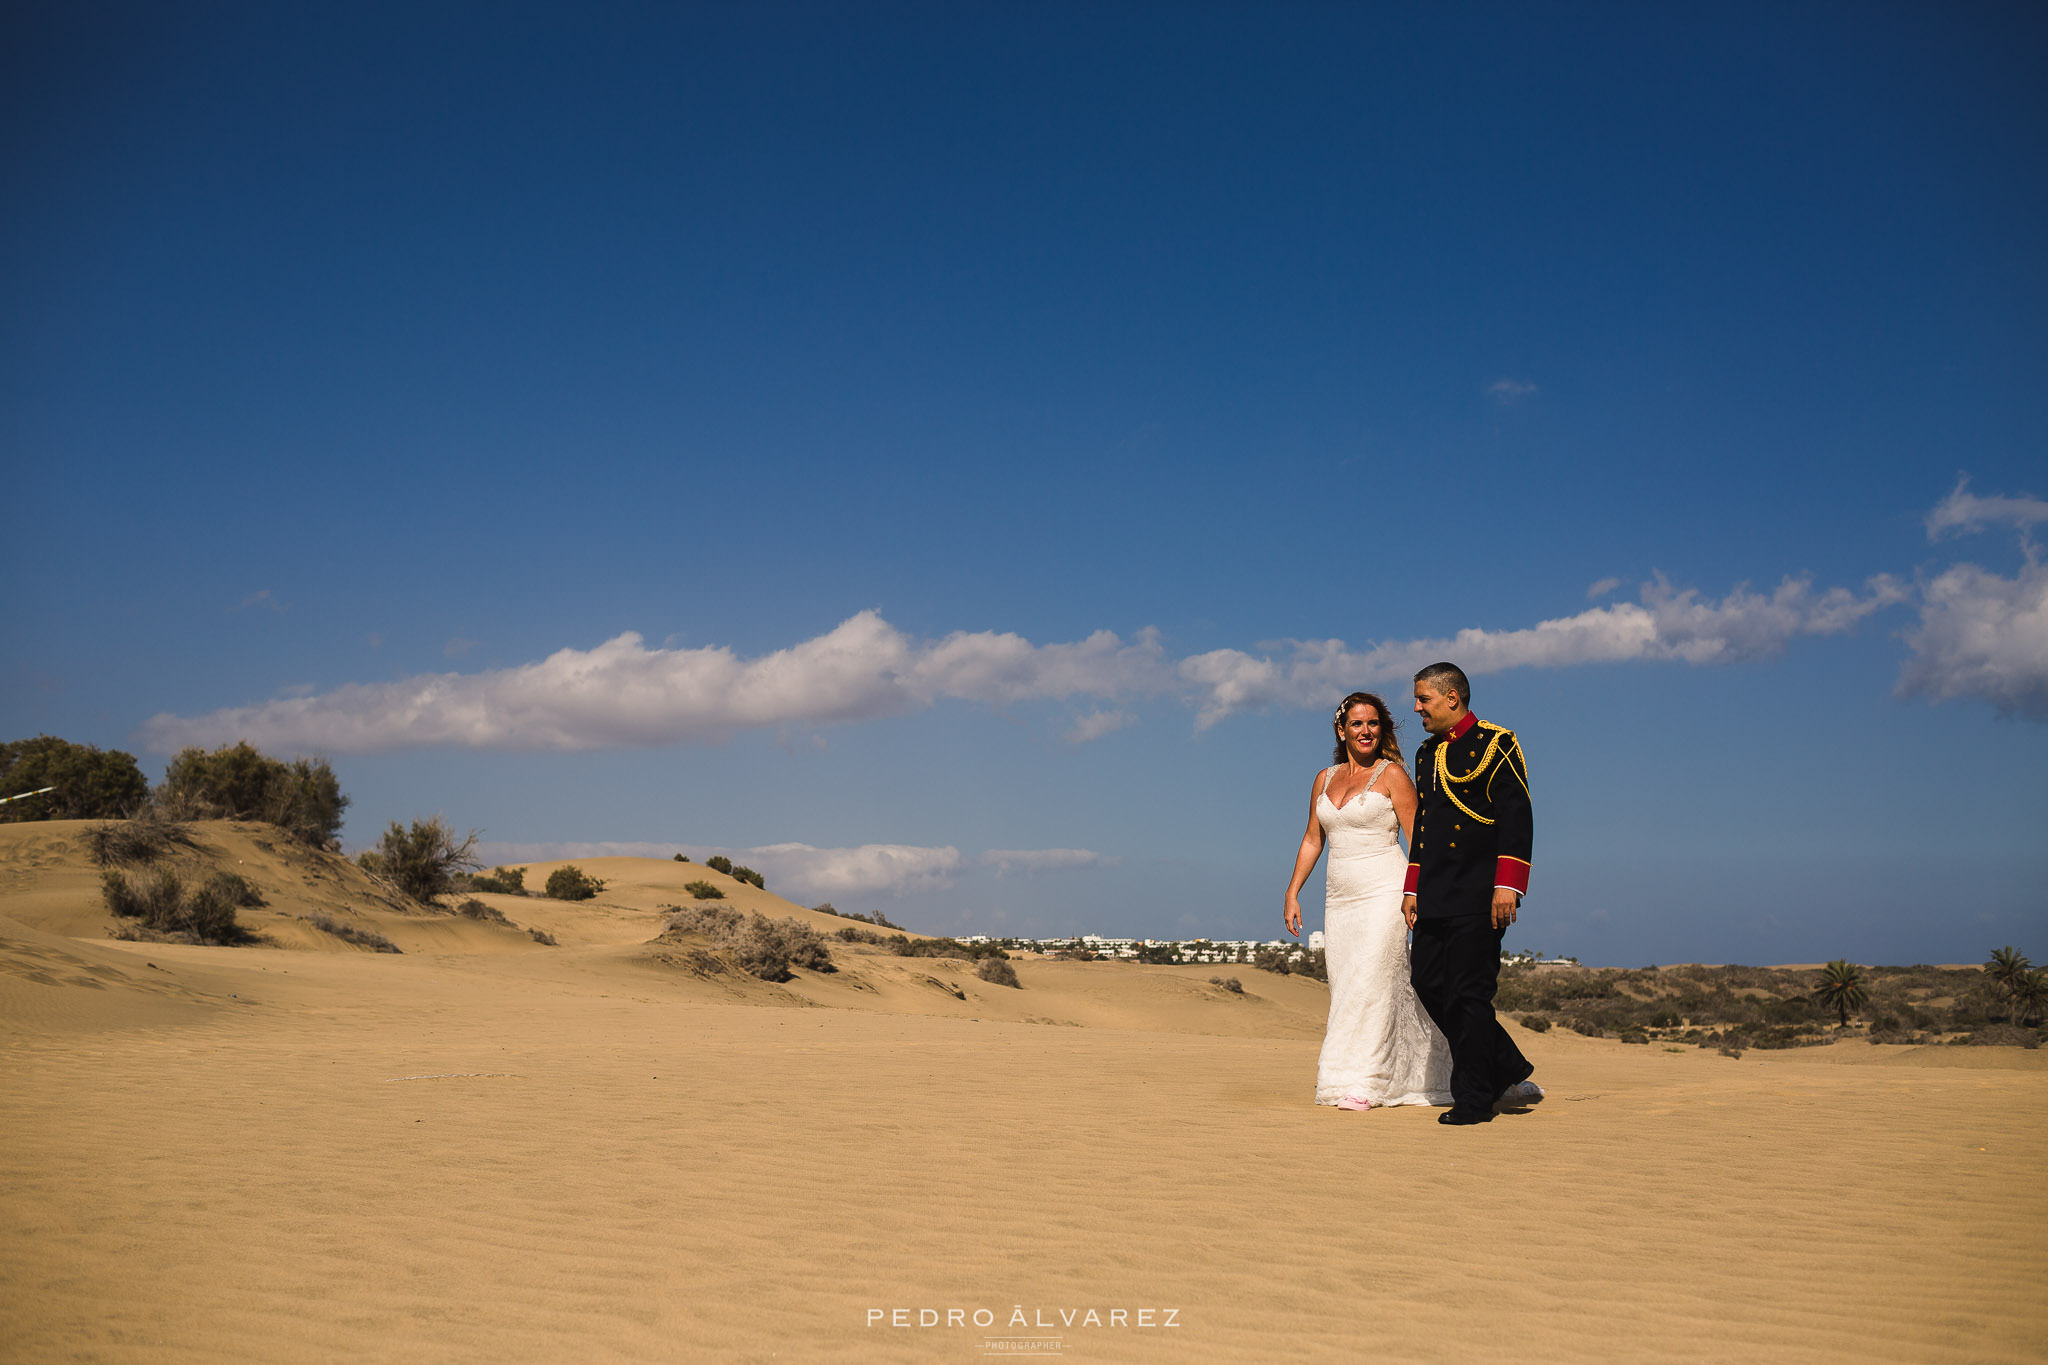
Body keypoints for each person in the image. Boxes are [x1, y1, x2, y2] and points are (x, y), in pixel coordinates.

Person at [1284, 691, 1451, 1111]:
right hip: (1340, 900)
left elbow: (1419, 841)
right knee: (1346, 987)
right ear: (1342, 730)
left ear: (1383, 729)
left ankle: (1369, 1083)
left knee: (1373, 983)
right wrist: (1292, 891)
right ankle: (1342, 1078)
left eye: (1373, 723)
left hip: (1386, 892)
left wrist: (1417, 891)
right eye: (1357, 723)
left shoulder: (1392, 774)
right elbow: (1312, 838)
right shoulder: (1323, 779)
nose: (1366, 731)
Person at [1402, 662, 1543, 1125]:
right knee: (1426, 982)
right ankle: (1505, 1064)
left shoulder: (1498, 743)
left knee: (1469, 994)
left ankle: (1474, 1099)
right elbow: (1422, 831)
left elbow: (1517, 819)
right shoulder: (1426, 754)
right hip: (1436, 893)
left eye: (1424, 699)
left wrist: (1508, 885)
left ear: (1451, 698)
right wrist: (1412, 888)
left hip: (1482, 893)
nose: (1417, 707)